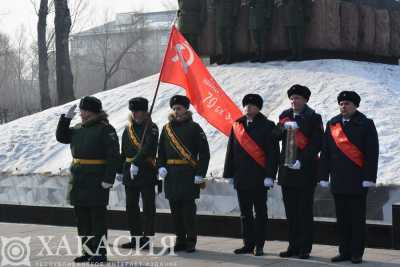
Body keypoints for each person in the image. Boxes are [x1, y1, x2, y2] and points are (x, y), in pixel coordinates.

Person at [56, 96, 120, 264]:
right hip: (78, 179)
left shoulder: (106, 129)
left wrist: (108, 179)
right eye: (82, 110)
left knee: (97, 219)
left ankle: (100, 252)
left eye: (85, 111)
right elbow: (62, 137)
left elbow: (113, 156)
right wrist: (65, 120)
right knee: (82, 218)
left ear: (94, 112)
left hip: (96, 179)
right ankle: (87, 250)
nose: (82, 114)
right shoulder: (78, 128)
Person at [319, 91, 379, 264]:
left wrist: (369, 177)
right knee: (342, 219)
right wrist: (324, 176)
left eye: (347, 103)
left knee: (356, 219)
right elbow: (326, 152)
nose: (343, 106)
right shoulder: (333, 123)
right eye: (341, 103)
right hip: (338, 180)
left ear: (355, 105)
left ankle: (356, 253)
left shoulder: (366, 124)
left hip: (358, 180)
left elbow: (371, 153)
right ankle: (344, 251)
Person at [223, 94, 279, 256]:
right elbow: (230, 151)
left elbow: (272, 153)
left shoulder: (268, 126)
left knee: (260, 212)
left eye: (252, 105)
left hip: (260, 178)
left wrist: (270, 175)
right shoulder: (237, 125)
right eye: (246, 105)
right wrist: (229, 173)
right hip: (241, 176)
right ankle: (248, 244)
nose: (248, 107)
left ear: (258, 108)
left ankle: (259, 245)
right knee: (244, 213)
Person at [275, 84, 323, 259]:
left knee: (304, 211)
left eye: (298, 98)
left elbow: (316, 143)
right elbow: (276, 135)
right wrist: (283, 127)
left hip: (305, 172)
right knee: (291, 212)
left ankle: (305, 248)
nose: (294, 101)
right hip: (287, 172)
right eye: (292, 98)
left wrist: (301, 161)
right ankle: (293, 246)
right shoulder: (284, 116)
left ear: (305, 100)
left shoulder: (314, 118)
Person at [157, 95, 210, 253]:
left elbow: (204, 153)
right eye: (174, 108)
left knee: (188, 211)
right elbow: (161, 152)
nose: (176, 111)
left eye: (179, 108)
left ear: (186, 109)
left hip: (188, 174)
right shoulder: (166, 129)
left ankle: (191, 240)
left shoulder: (195, 128)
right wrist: (161, 167)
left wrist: (200, 173)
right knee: (175, 210)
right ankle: (180, 239)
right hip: (171, 175)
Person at [117, 97, 159, 250]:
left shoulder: (152, 128)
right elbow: (123, 151)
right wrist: (120, 169)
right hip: (130, 172)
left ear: (145, 111)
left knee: (148, 207)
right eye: (134, 111)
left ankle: (146, 238)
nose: (136, 114)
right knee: (131, 206)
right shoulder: (127, 129)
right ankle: (135, 237)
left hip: (146, 171)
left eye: (139, 111)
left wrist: (137, 162)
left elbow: (148, 148)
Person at [215, 0, 241, 64]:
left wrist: (234, 15)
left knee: (229, 39)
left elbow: (237, 3)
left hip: (229, 17)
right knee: (222, 39)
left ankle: (230, 58)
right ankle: (224, 57)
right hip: (220, 17)